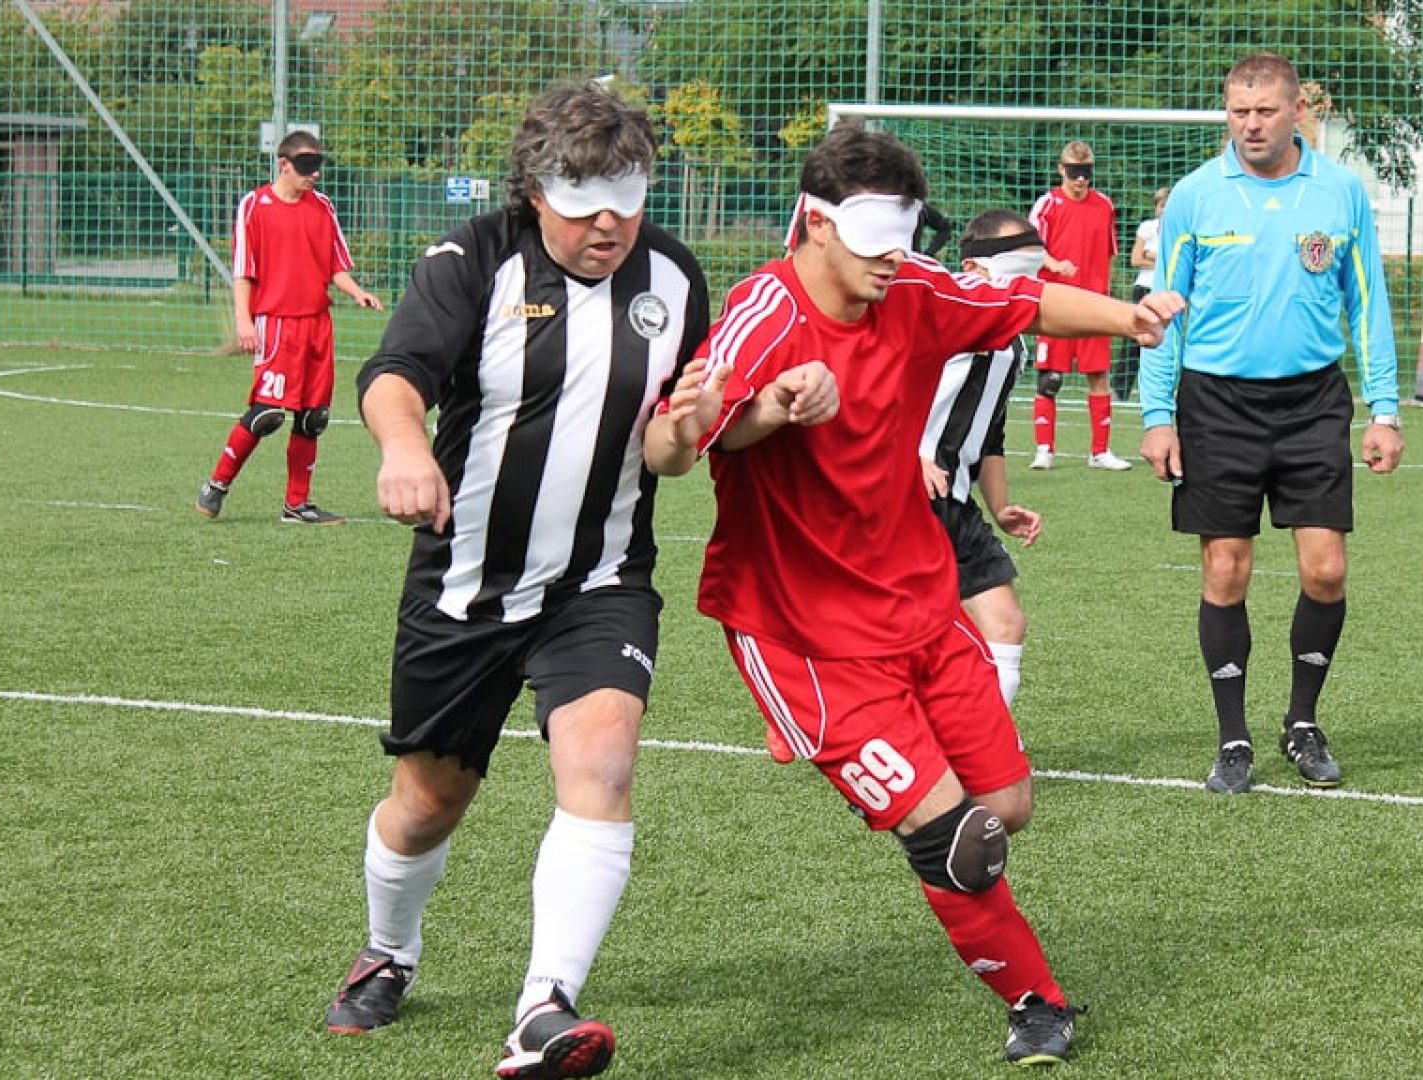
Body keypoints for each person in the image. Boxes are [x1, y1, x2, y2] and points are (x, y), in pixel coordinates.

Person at [645, 123, 1183, 1067]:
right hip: (802, 634)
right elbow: (691, 442)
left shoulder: (914, 289)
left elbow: (1019, 298)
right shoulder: (760, 316)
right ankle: (1035, 1004)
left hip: (919, 608)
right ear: (814, 224)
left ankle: (879, 773)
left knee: (1006, 806)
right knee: (957, 838)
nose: (894, 259)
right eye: (872, 240)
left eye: (903, 236)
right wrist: (768, 408)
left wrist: (1123, 315)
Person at [321, 84, 712, 1080]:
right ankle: (390, 951)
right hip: (466, 586)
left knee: (606, 764)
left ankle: (544, 1008)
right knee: (428, 800)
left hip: (604, 581)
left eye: (627, 197)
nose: (609, 224)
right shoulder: (473, 261)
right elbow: (396, 371)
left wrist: (695, 427)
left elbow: (670, 446)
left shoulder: (675, 275)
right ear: (534, 189)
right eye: (584, 203)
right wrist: (404, 448)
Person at [1137, 53, 1405, 795]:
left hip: (1314, 401)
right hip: (1216, 404)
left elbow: (1368, 304)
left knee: (1326, 570)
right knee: (1227, 570)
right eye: (1237, 111)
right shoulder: (1193, 198)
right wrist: (1158, 415)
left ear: (1296, 113)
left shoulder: (1340, 193)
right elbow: (1163, 315)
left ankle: (1302, 723)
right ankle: (1233, 739)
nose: (1250, 125)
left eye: (1264, 111)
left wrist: (1385, 409)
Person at [195, 131, 383, 525]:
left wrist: (356, 292)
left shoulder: (323, 207)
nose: (314, 175)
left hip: (318, 323)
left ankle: (297, 505)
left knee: (314, 417)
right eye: (305, 167)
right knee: (267, 413)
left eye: (318, 166)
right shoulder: (255, 206)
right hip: (276, 323)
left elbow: (334, 265)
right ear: (284, 164)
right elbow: (244, 271)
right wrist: (244, 321)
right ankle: (216, 485)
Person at [918, 209, 1047, 709]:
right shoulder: (945, 316)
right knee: (899, 634)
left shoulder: (1012, 341)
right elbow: (884, 389)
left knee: (1006, 624)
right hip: (904, 496)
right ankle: (807, 696)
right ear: (973, 270)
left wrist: (1001, 505)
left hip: (953, 501)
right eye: (1018, 272)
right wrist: (911, 457)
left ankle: (980, 760)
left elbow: (990, 432)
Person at [1028, 140, 1130, 471]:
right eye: (1074, 173)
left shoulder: (1104, 205)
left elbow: (1109, 254)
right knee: (1049, 379)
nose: (1081, 180)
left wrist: (1107, 295)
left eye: (1086, 173)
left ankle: (1100, 451)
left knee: (1098, 375)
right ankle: (1045, 449)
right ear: (1061, 170)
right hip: (1055, 304)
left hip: (1093, 304)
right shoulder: (1047, 205)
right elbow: (1029, 249)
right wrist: (1055, 265)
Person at [1113, 187, 1170, 400]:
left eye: (1168, 206)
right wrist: (1159, 258)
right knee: (1133, 339)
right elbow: (1136, 259)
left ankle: (1161, 390)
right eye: (1162, 205)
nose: (1164, 210)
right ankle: (1119, 390)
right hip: (1144, 288)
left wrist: (1151, 254)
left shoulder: (1179, 229)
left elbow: (1176, 259)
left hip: (1166, 290)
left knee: (1165, 342)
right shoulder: (1147, 227)